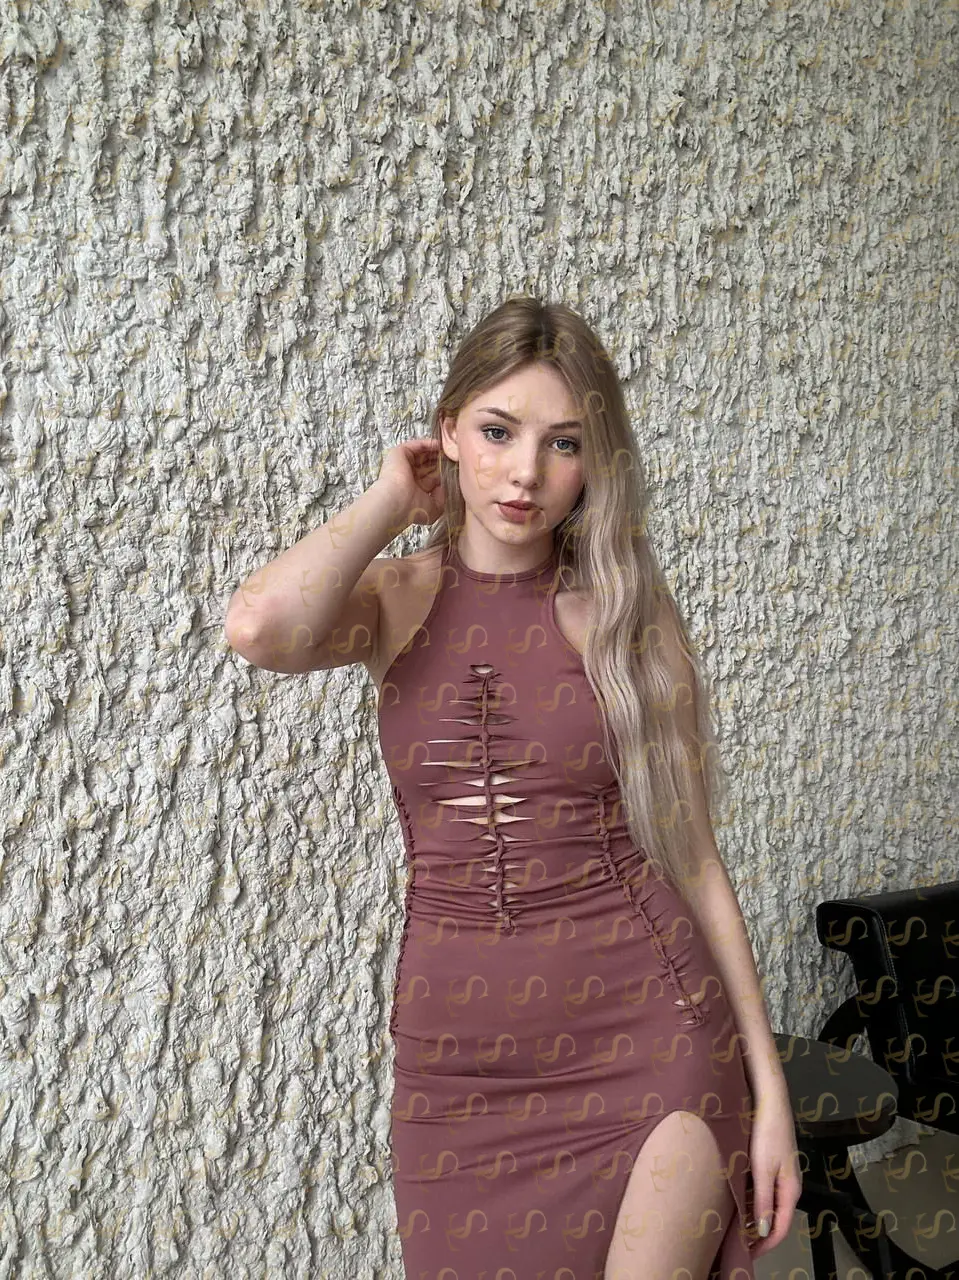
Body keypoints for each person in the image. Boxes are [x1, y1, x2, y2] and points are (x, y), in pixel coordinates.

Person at [225, 295, 802, 1279]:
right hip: (457, 1071)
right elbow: (259, 627)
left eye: (563, 443)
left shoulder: (626, 615)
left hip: (648, 1036)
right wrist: (389, 500)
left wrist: (769, 1092)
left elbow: (696, 860)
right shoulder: (395, 599)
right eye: (497, 431)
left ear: (594, 462)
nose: (526, 472)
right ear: (447, 431)